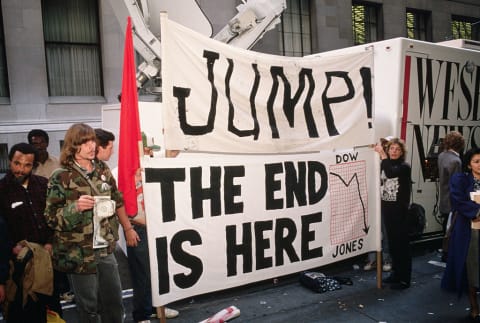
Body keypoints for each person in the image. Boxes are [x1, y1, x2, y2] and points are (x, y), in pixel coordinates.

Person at [44, 123, 137, 323]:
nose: (91, 146)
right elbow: (51, 218)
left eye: (93, 140)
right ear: (73, 146)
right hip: (79, 253)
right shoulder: (61, 176)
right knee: (89, 307)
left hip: (104, 247)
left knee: (114, 302)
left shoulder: (101, 168)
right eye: (85, 142)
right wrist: (75, 208)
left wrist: (128, 228)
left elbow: (117, 199)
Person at [95, 128, 178, 322]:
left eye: (150, 150)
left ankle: (159, 306)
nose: (149, 153)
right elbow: (119, 204)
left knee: (158, 271)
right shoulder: (117, 173)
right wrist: (133, 224)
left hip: (153, 225)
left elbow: (169, 168)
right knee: (142, 274)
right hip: (137, 227)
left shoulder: (148, 168)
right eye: (147, 150)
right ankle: (142, 312)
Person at [0, 143, 61, 322]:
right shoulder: (2, 190)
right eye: (17, 163)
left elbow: (53, 217)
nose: (21, 169)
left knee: (51, 313)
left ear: (33, 166)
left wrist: (50, 242)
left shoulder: (43, 185)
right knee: (22, 313)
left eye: (27, 165)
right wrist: (13, 248)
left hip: (47, 261)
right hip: (19, 266)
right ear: (10, 161)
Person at [441, 147, 480, 321]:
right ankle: (474, 307)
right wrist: (477, 211)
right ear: (469, 164)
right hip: (469, 233)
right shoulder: (461, 180)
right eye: (476, 161)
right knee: (471, 270)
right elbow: (457, 200)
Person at [374, 137, 412, 290]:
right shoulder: (386, 164)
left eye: (397, 149)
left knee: (402, 246)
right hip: (388, 210)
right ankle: (396, 274)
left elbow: (390, 173)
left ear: (402, 152)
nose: (394, 152)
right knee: (394, 245)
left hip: (400, 212)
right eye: (391, 149)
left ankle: (404, 279)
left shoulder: (404, 166)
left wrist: (382, 154)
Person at [438, 131, 465, 234]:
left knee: (446, 224)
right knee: (451, 228)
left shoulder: (442, 156)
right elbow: (457, 184)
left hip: (444, 196)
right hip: (452, 200)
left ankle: (445, 248)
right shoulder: (456, 161)